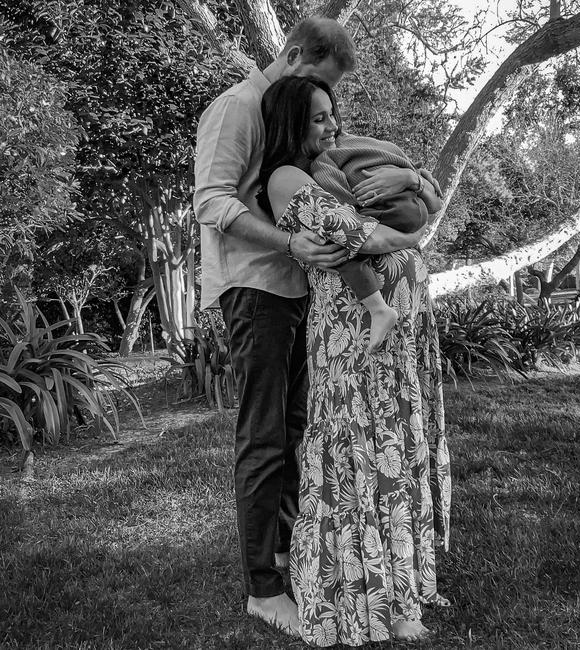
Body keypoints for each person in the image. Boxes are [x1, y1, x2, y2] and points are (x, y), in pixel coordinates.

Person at [193, 17, 425, 636]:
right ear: (293, 54)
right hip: (257, 288)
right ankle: (261, 589)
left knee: (301, 429)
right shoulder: (239, 107)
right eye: (319, 84)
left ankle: (294, 558)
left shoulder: (289, 115)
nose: (327, 111)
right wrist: (291, 243)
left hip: (302, 288)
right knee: (266, 434)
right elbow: (213, 200)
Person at [258, 75, 452, 646]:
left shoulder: (343, 169)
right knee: (361, 452)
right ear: (293, 123)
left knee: (399, 445)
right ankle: (366, 591)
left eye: (332, 115)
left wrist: (412, 185)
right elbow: (357, 232)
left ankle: (401, 589)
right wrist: (405, 231)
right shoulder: (285, 177)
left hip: (401, 331)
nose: (332, 126)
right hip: (352, 335)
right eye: (319, 118)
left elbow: (429, 204)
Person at [311, 133, 443, 352]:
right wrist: (418, 177)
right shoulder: (376, 145)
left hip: (392, 210)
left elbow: (340, 207)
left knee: (339, 247)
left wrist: (356, 210)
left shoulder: (324, 159)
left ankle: (378, 309)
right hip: (413, 206)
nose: (330, 126)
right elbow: (434, 203)